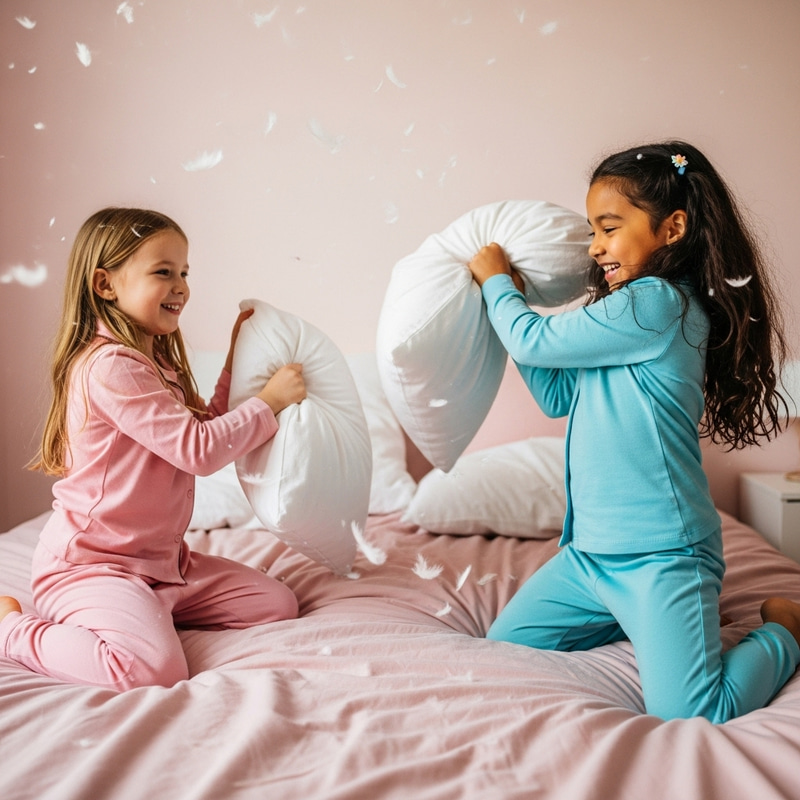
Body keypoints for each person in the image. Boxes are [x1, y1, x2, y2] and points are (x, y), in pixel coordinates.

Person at [468, 141, 800, 722]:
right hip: (591, 557)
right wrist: (515, 312)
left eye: (609, 227)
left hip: (662, 555)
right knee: (505, 644)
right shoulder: (619, 319)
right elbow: (554, 395)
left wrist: (500, 287)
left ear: (672, 228)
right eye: (594, 230)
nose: (595, 246)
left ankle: (786, 632)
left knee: (697, 710)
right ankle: (651, 622)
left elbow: (531, 339)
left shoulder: (659, 304)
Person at [0, 207, 306, 691]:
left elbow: (204, 424)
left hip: (163, 566)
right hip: (92, 565)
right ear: (106, 284)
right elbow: (199, 451)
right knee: (152, 671)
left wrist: (234, 359)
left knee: (277, 603)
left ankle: (148, 609)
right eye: (164, 272)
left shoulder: (155, 360)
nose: (181, 285)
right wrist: (269, 403)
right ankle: (11, 631)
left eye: (184, 272)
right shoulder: (109, 366)